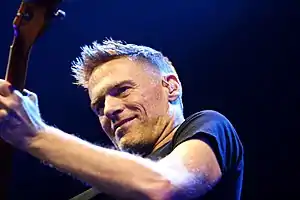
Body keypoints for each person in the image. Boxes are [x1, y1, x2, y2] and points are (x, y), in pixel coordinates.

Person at [0, 38, 244, 200]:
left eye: (122, 90)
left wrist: (37, 136)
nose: (108, 110)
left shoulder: (210, 125)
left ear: (170, 87)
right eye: (98, 106)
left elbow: (163, 185)